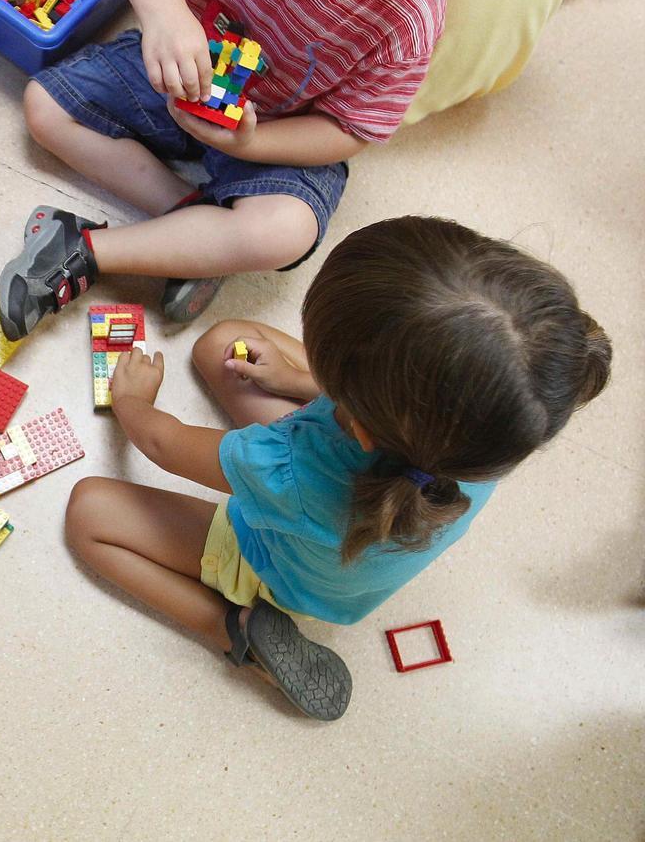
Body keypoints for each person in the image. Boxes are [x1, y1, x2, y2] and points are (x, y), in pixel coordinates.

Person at [65, 216, 612, 721]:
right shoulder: (485, 435)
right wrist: (299, 381)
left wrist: (133, 400)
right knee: (226, 343)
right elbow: (384, 415)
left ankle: (237, 630)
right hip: (353, 526)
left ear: (362, 421)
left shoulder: (284, 469)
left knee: (90, 512)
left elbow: (162, 443)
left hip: (277, 570)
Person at [0, 0, 445, 340]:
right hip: (175, 71)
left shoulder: (408, 20)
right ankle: (193, 224)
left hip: (279, 133)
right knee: (46, 108)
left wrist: (252, 142)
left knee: (283, 231)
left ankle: (86, 251)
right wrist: (165, 15)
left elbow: (348, 130)